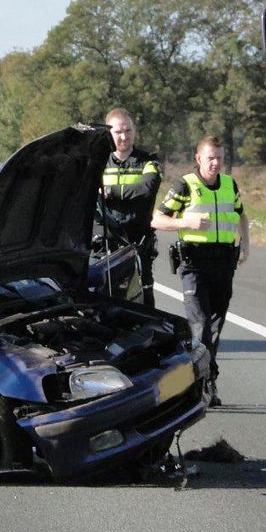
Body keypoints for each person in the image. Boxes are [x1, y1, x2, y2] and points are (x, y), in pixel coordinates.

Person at [152, 135, 250, 407]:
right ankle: (201, 385)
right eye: (210, 158)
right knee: (200, 324)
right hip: (194, 264)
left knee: (216, 328)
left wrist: (246, 247)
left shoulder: (230, 184)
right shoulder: (185, 185)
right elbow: (157, 219)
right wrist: (187, 221)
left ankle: (206, 379)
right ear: (198, 159)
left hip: (224, 263)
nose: (216, 163)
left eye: (219, 158)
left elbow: (241, 215)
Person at [98, 108, 163, 307]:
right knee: (104, 300)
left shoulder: (149, 161)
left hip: (138, 243)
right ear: (109, 133)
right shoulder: (99, 162)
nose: (124, 136)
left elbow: (146, 188)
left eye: (128, 130)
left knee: (144, 302)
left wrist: (111, 192)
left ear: (134, 131)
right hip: (106, 245)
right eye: (118, 132)